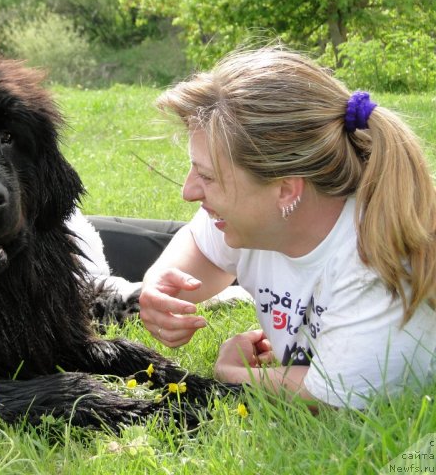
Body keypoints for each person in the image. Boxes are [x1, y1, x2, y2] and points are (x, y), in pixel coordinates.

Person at [138, 47, 436, 409]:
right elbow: (202, 247)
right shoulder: (252, 218)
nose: (188, 191)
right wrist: (160, 288)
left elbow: (328, 394)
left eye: (207, 176)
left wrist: (234, 372)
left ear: (285, 189)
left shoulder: (373, 262)